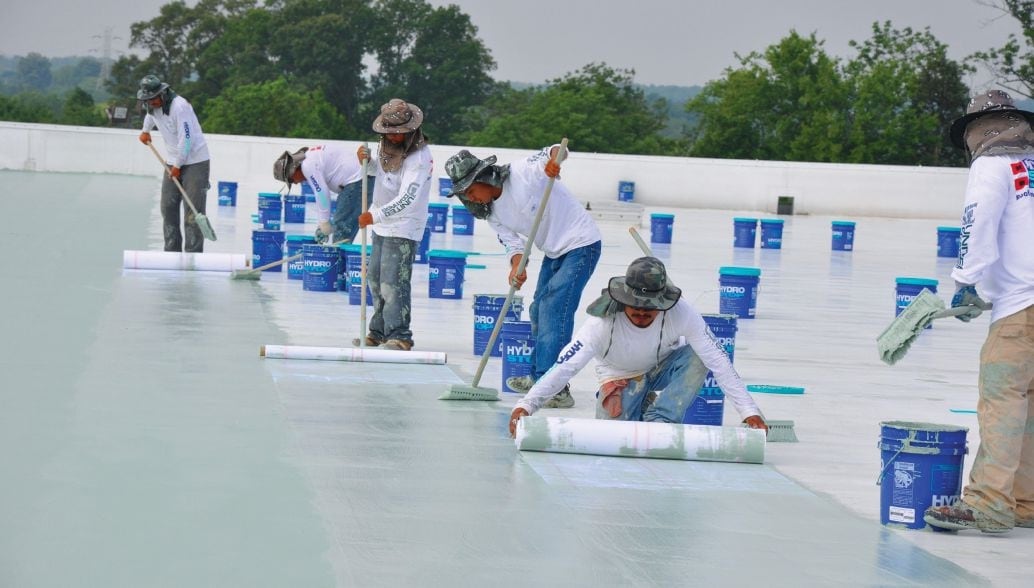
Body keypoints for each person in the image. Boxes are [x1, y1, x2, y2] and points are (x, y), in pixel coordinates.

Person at [923, 90, 1034, 534]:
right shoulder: (1030, 164)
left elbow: (977, 220)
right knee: (1029, 407)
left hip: (1020, 308)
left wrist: (967, 280)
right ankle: (1024, 502)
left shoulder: (991, 165)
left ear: (978, 132)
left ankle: (989, 503)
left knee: (1002, 401)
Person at [507, 256, 768, 437]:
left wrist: (749, 411)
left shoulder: (682, 313)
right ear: (623, 300)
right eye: (636, 306)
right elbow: (565, 366)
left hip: (661, 368)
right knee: (614, 434)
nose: (643, 313)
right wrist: (526, 406)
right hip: (620, 377)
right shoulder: (601, 322)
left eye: (650, 307)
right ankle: (639, 402)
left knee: (700, 356)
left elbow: (718, 360)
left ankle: (661, 420)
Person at [445, 144, 602, 408]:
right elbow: (513, 245)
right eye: (465, 195)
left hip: (581, 243)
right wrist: (517, 266)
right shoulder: (491, 213)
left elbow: (555, 150)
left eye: (471, 191)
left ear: (483, 178)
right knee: (538, 309)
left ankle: (556, 388)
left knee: (555, 309)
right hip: (553, 250)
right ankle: (539, 375)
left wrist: (555, 161)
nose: (471, 198)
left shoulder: (521, 173)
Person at [353, 98, 432, 351]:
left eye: (398, 133)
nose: (394, 137)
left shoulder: (420, 157)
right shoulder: (385, 145)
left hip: (404, 225)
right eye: (389, 132)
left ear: (410, 129)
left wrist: (374, 216)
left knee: (393, 281)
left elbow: (408, 197)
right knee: (374, 279)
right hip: (382, 222)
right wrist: (367, 162)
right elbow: (383, 172)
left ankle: (400, 335)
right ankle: (378, 331)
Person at [136, 74, 210, 253]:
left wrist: (177, 166)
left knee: (193, 211)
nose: (150, 104)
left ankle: (193, 253)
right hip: (172, 162)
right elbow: (150, 116)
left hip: (194, 161)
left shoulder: (180, 107)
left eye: (153, 100)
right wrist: (145, 131)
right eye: (147, 101)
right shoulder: (152, 106)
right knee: (168, 207)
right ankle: (171, 251)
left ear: (162, 94)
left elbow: (186, 139)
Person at [273, 144, 375, 244]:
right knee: (341, 224)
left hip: (358, 181)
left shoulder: (307, 166)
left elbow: (322, 194)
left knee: (342, 229)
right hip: (359, 180)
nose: (295, 183)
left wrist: (324, 223)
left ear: (293, 171)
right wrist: (324, 224)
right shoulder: (310, 158)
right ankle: (340, 256)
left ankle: (340, 259)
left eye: (291, 180)